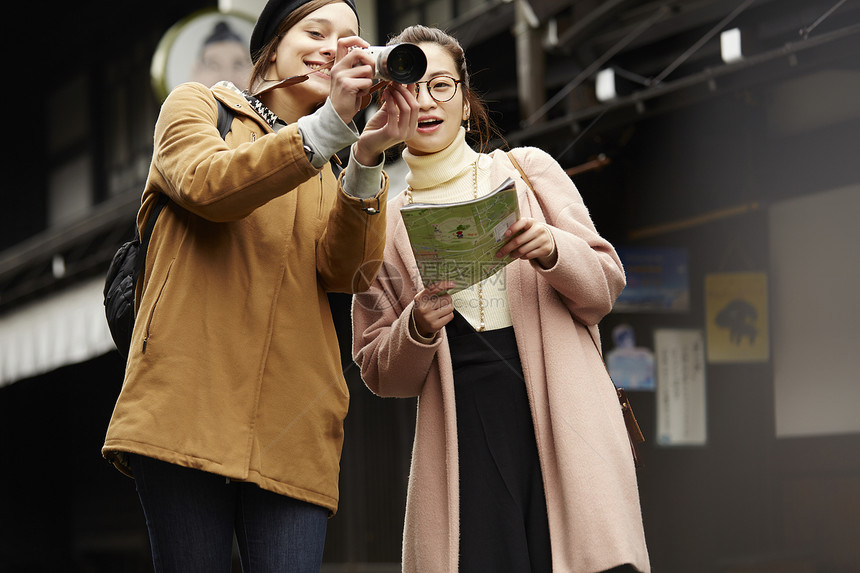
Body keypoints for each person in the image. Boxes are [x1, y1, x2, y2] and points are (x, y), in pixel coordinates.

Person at [102, 0, 418, 571]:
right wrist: (328, 130)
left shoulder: (328, 166)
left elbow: (350, 273)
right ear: (271, 48)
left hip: (294, 426)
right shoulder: (198, 106)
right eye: (315, 32)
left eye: (349, 39)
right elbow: (208, 186)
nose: (334, 47)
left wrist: (366, 155)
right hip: (186, 409)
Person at [351, 25, 650, 573]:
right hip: (461, 422)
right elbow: (376, 368)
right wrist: (415, 327)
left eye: (441, 85)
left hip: (562, 407)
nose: (425, 101)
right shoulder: (383, 217)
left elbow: (605, 286)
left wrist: (552, 249)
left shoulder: (526, 171)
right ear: (387, 105)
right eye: (409, 87)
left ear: (465, 102)